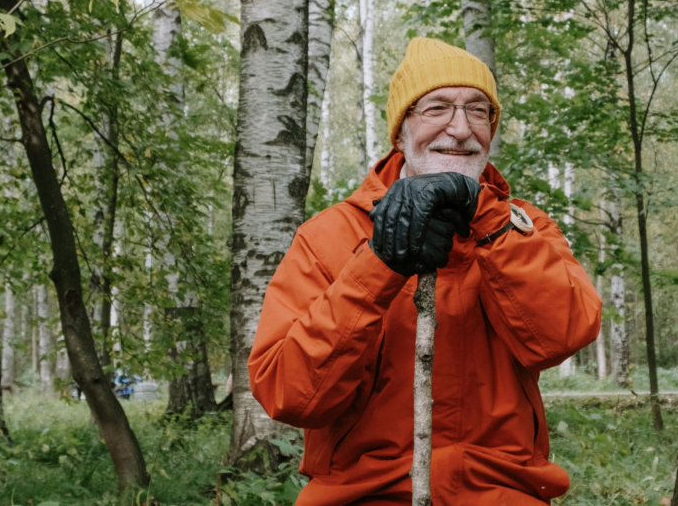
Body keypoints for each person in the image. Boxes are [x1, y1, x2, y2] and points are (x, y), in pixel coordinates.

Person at [248, 37, 602, 505]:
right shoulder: (329, 235)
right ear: (399, 132)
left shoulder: (524, 226)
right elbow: (289, 394)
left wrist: (489, 219)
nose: (460, 129)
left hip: (500, 496)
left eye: (478, 111)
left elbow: (564, 335)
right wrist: (380, 262)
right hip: (365, 497)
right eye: (436, 108)